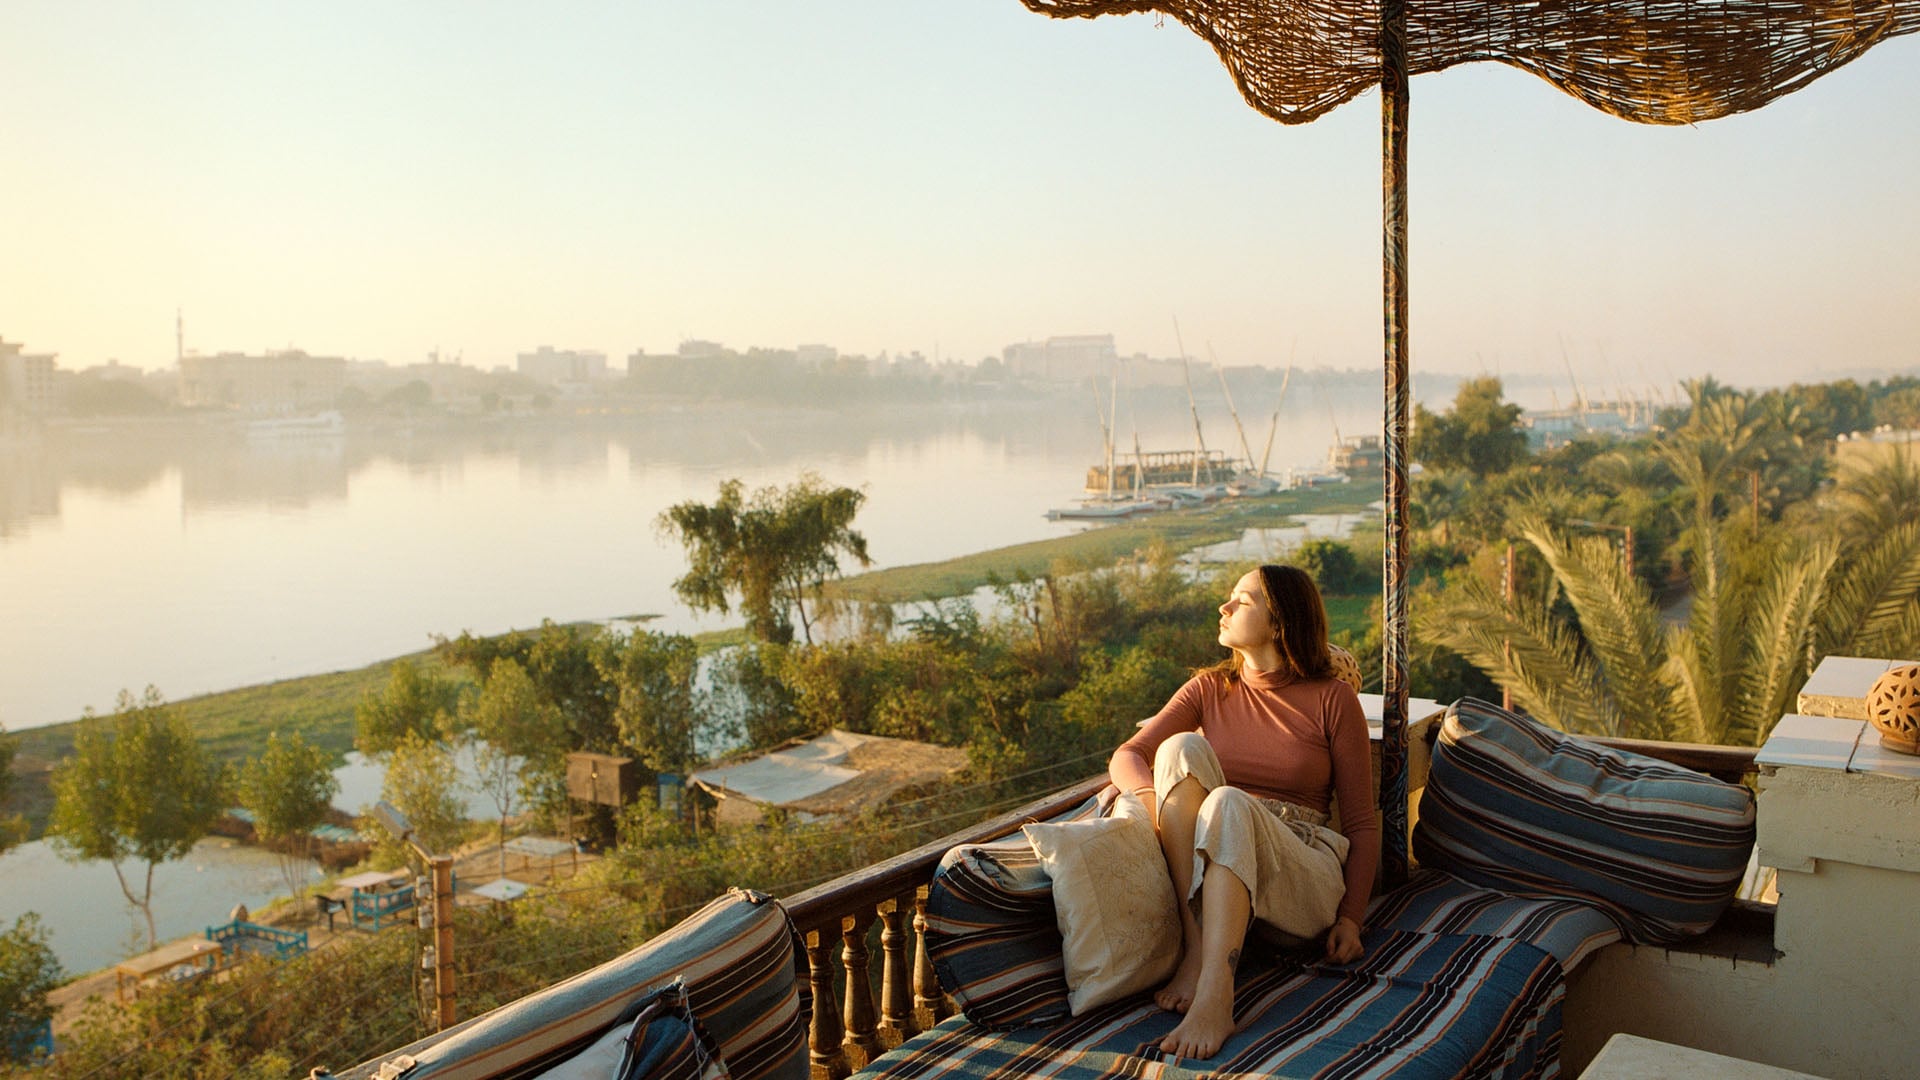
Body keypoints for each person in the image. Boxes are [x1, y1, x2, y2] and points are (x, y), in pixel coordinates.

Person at [1109, 564, 1378, 1059]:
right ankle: (1198, 950)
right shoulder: (1209, 688)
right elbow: (1128, 756)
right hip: (1221, 872)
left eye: (1242, 600)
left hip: (1300, 871)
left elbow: (1361, 820)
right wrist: (1154, 807)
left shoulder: (1333, 700)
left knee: (1229, 801)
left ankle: (1216, 996)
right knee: (1179, 750)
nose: (1224, 607)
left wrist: (1353, 919)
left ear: (1279, 624)